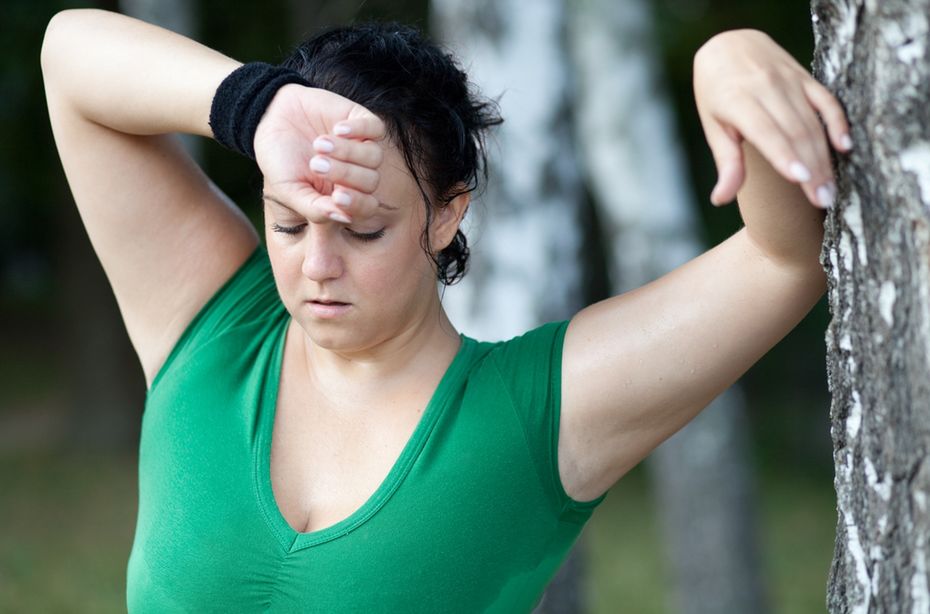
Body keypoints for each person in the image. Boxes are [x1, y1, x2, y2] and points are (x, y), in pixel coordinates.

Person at [41, 8, 850, 613]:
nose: (316, 266)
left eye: (363, 228)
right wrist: (258, 106)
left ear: (447, 212)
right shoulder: (216, 328)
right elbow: (69, 56)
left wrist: (729, 60)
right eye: (288, 224)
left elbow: (784, 259)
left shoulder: (536, 417)